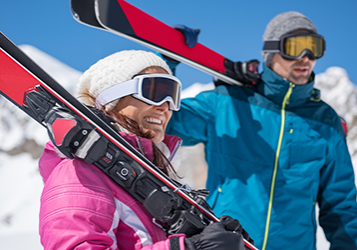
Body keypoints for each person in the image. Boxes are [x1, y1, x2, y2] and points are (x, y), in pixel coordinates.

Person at [165, 11, 357, 250]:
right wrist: (167, 63)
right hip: (226, 243)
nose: (305, 57)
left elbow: (341, 206)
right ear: (271, 51)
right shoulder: (227, 103)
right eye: (295, 46)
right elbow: (165, 122)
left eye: (314, 48)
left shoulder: (325, 122)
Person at [38, 50, 248, 250]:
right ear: (111, 100)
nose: (165, 107)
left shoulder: (155, 177)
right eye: (155, 91)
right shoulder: (78, 172)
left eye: (171, 95)